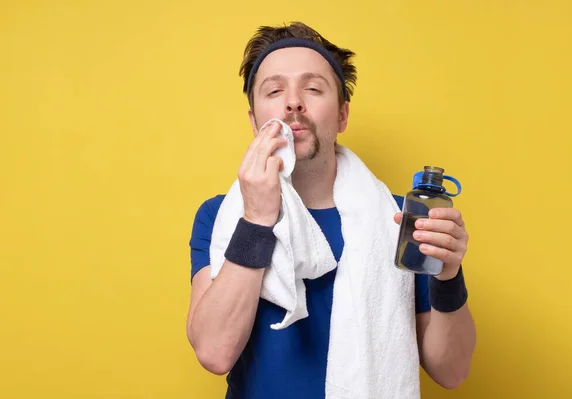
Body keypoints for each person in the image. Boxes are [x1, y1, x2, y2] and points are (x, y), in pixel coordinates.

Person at [186, 21, 476, 398]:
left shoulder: (400, 220)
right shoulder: (220, 216)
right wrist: (257, 219)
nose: (293, 102)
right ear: (254, 121)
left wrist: (448, 274)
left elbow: (451, 371)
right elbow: (213, 352)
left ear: (342, 115)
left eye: (313, 88)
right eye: (274, 90)